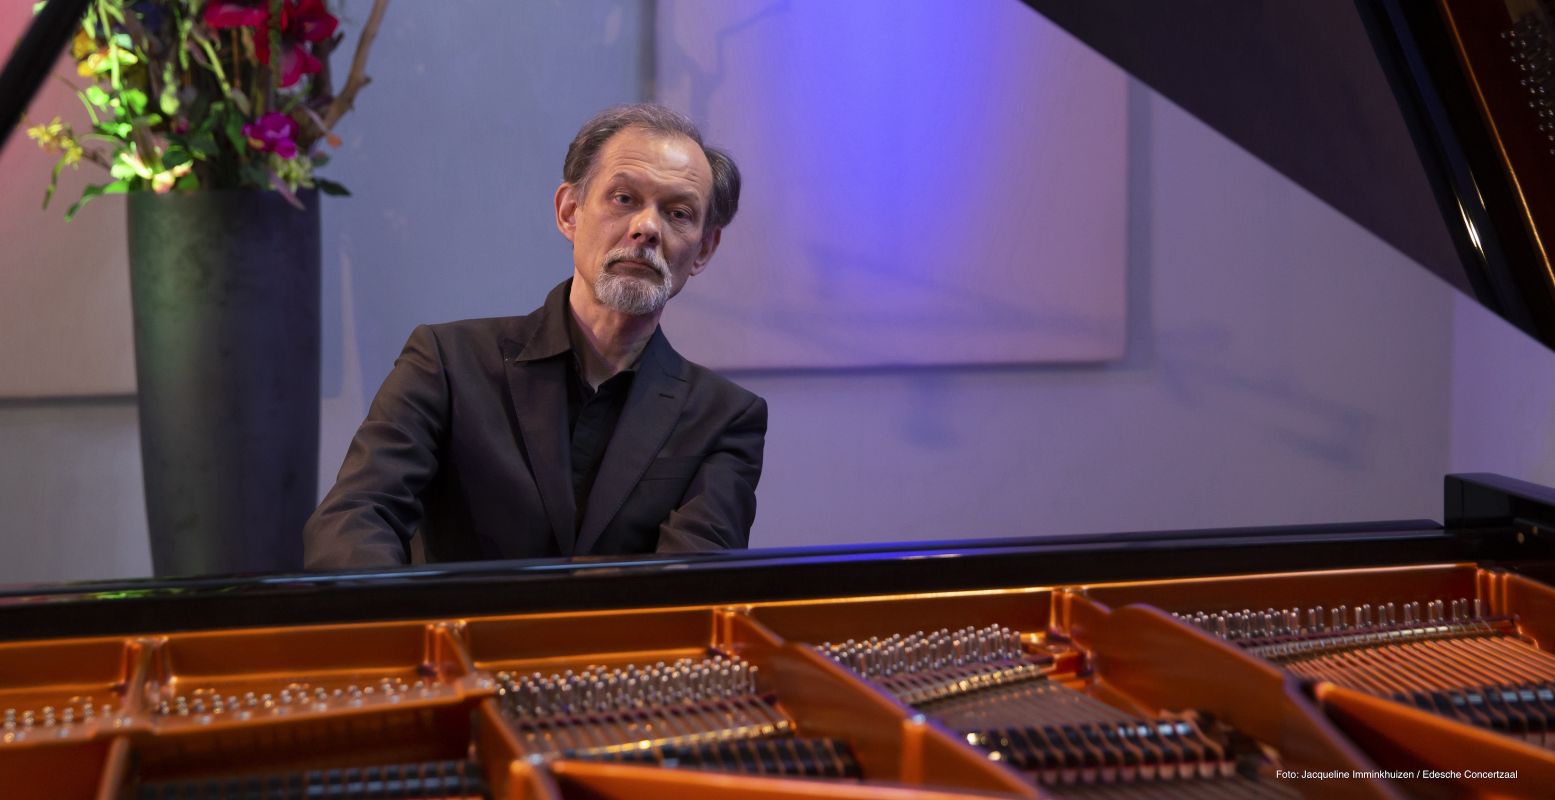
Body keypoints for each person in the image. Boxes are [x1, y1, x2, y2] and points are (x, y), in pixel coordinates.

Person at [303, 104, 765, 569]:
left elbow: (693, 588)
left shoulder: (724, 418)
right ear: (570, 212)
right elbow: (356, 518)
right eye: (624, 198)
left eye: (678, 212)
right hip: (453, 637)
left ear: (703, 248)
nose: (646, 228)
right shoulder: (446, 363)